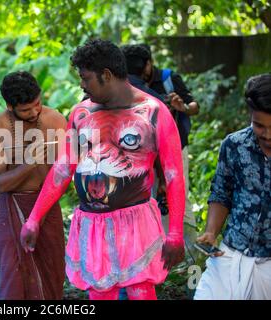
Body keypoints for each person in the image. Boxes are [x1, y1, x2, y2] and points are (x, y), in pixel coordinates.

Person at [20, 39, 185, 300]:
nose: (82, 85)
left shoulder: (154, 113)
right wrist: (34, 219)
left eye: (86, 78)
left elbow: (174, 175)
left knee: (141, 292)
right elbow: (63, 169)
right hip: (92, 226)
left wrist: (175, 232)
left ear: (106, 75)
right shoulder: (80, 112)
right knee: (99, 294)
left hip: (136, 225)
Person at [0, 71, 67, 299]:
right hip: (13, 208)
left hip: (48, 207)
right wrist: (29, 164)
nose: (34, 112)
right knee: (14, 277)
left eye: (37, 104)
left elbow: (68, 169)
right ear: (10, 106)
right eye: (26, 109)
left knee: (53, 272)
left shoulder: (56, 120)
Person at [194, 74, 271, 300]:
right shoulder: (235, 145)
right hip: (231, 254)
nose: (267, 135)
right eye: (259, 126)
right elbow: (221, 192)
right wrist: (211, 231)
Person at [141, 44, 200, 258]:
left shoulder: (168, 79)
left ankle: (191, 252)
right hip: (147, 154)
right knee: (151, 199)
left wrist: (181, 106)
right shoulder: (130, 84)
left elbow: (195, 106)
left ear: (149, 63)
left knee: (177, 195)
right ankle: (157, 253)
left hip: (174, 150)